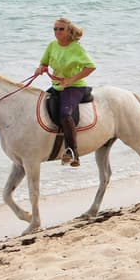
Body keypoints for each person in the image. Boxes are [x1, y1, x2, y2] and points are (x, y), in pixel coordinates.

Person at [32, 17, 96, 167]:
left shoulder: (76, 48)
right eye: (55, 29)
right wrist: (40, 68)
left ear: (68, 31)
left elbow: (91, 67)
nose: (57, 32)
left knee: (65, 114)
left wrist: (71, 80)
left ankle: (72, 152)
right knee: (37, 105)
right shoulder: (52, 46)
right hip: (56, 86)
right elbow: (44, 62)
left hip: (74, 87)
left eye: (61, 29)